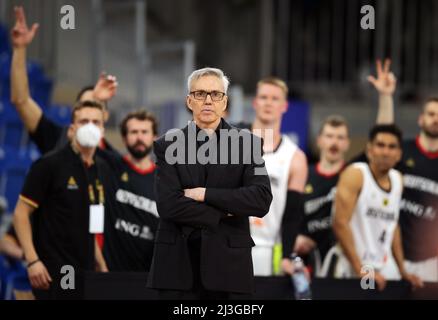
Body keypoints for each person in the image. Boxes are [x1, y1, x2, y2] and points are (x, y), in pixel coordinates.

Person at [147, 67, 272, 299]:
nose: (207, 101)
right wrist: (223, 213)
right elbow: (168, 205)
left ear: (224, 102)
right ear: (189, 101)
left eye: (215, 94)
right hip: (177, 268)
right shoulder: (166, 145)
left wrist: (205, 194)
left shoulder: (248, 145)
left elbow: (260, 199)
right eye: (200, 94)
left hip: (230, 269)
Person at [294, 59, 398, 277]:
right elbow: (288, 214)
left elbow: (382, 134)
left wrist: (386, 96)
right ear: (319, 140)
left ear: (348, 143)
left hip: (347, 260)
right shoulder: (303, 173)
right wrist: (295, 237)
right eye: (330, 136)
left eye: (340, 137)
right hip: (309, 262)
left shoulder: (354, 173)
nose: (334, 142)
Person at [13, 100, 110, 299]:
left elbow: (89, 223)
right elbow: (20, 213)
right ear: (71, 129)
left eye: (95, 122)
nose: (90, 126)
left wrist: (100, 264)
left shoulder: (99, 169)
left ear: (103, 130)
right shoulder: (49, 164)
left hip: (83, 272)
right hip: (53, 272)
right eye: (84, 121)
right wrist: (32, 261)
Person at [10, 6, 118, 155]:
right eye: (85, 105)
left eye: (96, 105)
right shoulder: (55, 138)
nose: (90, 112)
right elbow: (21, 100)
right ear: (75, 113)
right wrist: (20, 49)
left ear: (105, 115)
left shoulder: (115, 163)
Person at [332, 124, 423, 291]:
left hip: (380, 266)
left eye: (392, 147)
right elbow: (340, 223)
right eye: (380, 145)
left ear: (399, 154)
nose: (385, 152)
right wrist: (361, 268)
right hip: (352, 267)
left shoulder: (397, 180)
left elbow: (393, 226)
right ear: (369, 149)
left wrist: (403, 271)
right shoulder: (356, 174)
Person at [241, 77, 308, 277]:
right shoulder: (232, 144)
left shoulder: (295, 157)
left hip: (270, 250)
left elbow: (292, 213)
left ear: (285, 106)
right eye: (263, 97)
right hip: (231, 244)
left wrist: (287, 256)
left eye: (275, 98)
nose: (268, 103)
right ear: (255, 102)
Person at [102, 110, 159, 271]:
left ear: (155, 137)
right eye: (134, 132)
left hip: (146, 276)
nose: (139, 137)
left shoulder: (165, 181)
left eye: (144, 132)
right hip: (109, 272)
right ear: (124, 138)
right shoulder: (110, 166)